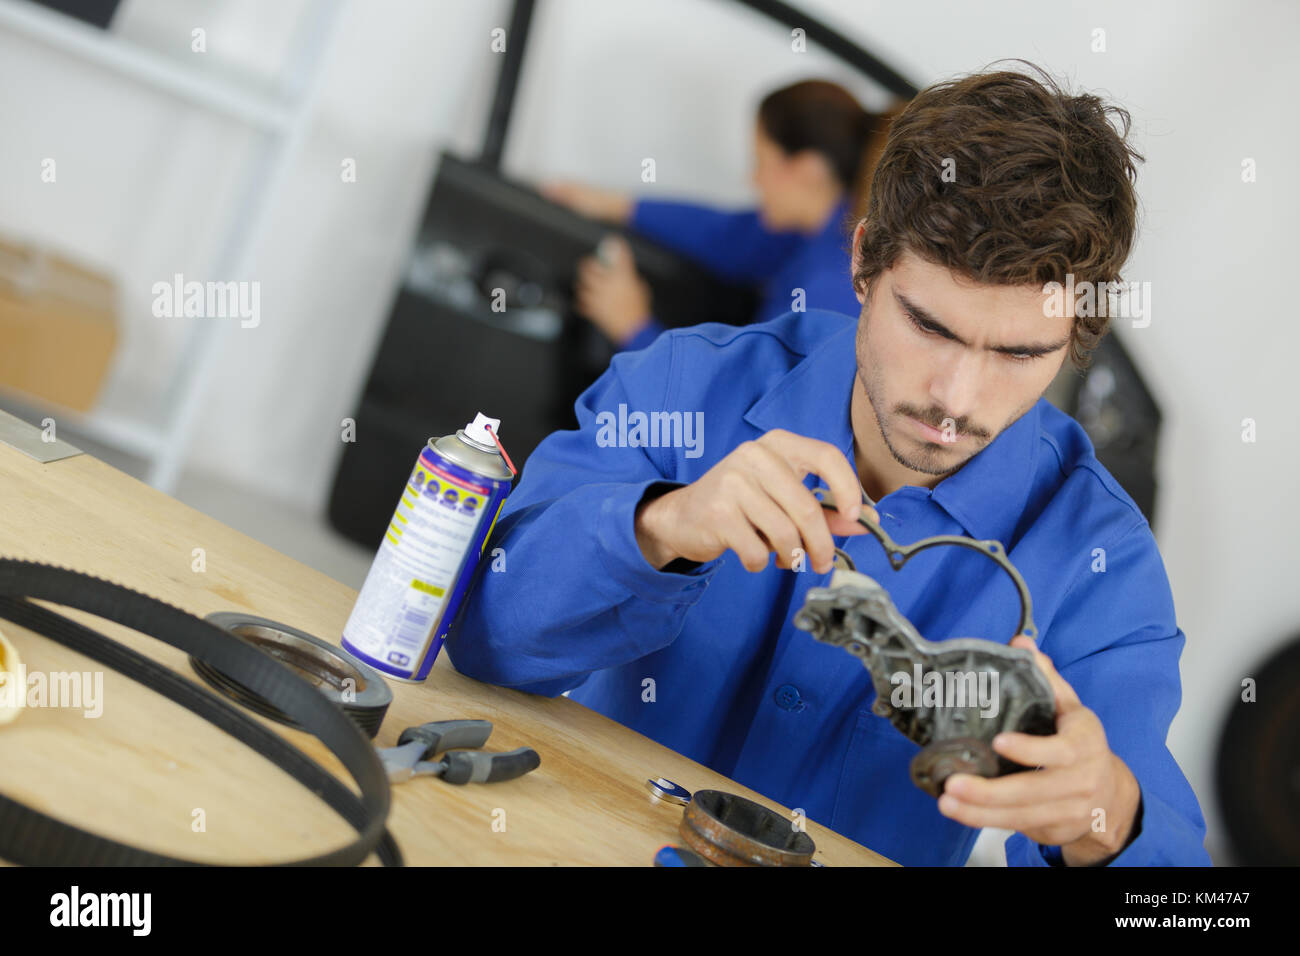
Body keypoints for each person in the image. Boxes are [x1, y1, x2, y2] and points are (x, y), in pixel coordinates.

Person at [446, 63, 1211, 867]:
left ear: (1074, 342)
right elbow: (485, 639)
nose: (956, 396)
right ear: (864, 265)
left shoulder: (1100, 560)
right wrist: (658, 525)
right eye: (930, 326)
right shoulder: (685, 386)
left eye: (1020, 353)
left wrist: (1108, 818)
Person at [542, 80, 901, 351]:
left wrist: (632, 327)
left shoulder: (826, 288)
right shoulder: (816, 233)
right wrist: (616, 205)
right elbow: (726, 235)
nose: (753, 179)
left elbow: (735, 415)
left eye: (761, 162)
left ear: (807, 170)